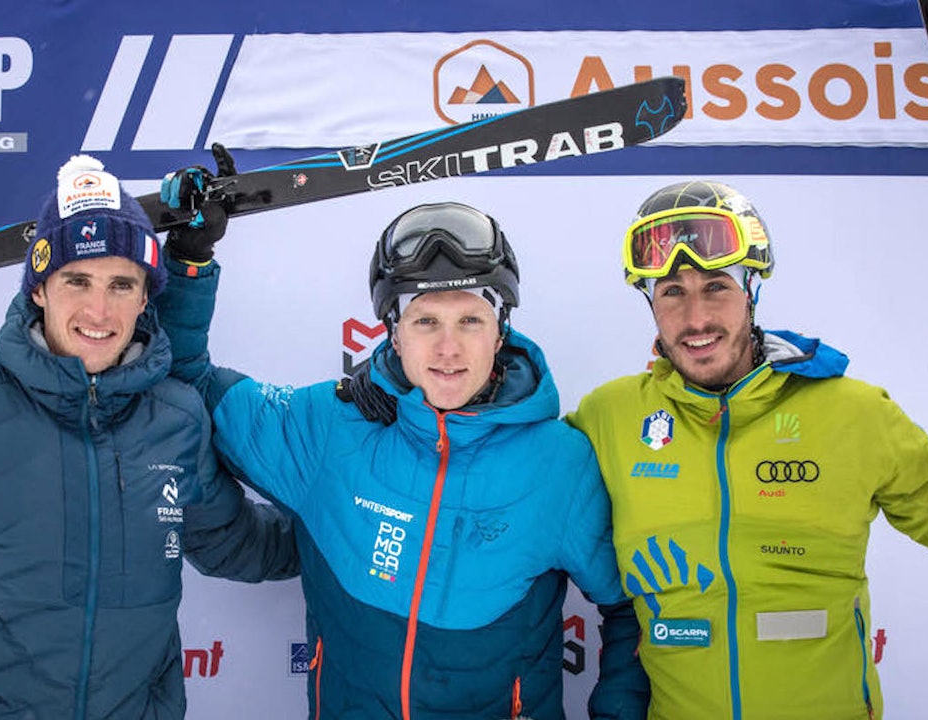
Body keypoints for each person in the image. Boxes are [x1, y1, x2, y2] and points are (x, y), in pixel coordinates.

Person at [154, 165, 649, 720]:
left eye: (470, 320)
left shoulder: (560, 463)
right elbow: (186, 379)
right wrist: (190, 259)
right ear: (392, 330)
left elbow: (631, 607)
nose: (448, 347)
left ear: (501, 328)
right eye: (424, 321)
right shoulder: (329, 428)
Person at [0, 155, 297, 719]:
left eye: (121, 284)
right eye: (77, 280)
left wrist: (345, 533)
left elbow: (235, 542)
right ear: (40, 289)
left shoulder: (176, 418)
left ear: (145, 298)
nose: (99, 309)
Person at [565, 180, 928, 719]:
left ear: (751, 291)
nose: (695, 319)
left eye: (716, 286)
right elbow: (518, 474)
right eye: (671, 292)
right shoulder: (610, 417)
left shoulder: (855, 414)